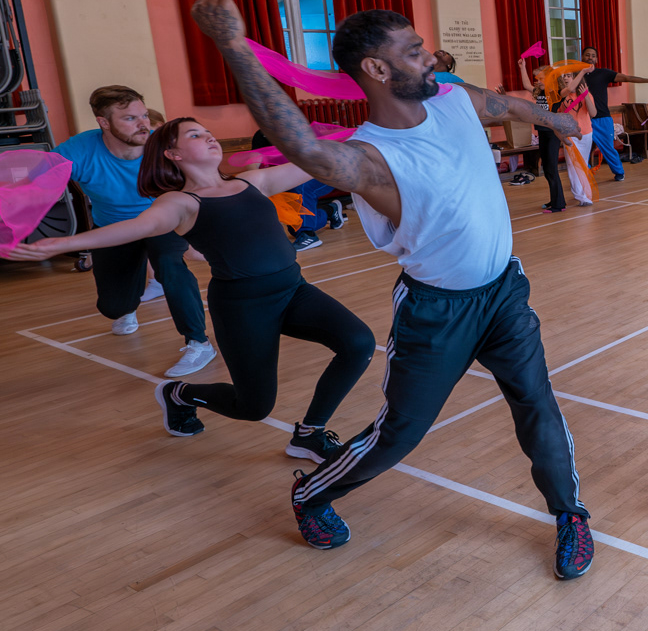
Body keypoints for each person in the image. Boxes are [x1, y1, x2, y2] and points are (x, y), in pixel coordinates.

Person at [188, 0, 593, 577]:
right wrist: (233, 46)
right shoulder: (369, 157)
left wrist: (555, 118)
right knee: (399, 433)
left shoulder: (453, 101)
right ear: (375, 69)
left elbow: (504, 105)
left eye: (422, 45)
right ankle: (312, 493)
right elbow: (298, 143)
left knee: (537, 403)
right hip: (437, 312)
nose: (428, 56)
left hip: (505, 292)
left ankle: (571, 515)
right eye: (412, 50)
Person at [12, 117, 376, 462]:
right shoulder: (180, 203)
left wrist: (366, 135)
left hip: (294, 290)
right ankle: (179, 394)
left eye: (206, 131)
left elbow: (314, 161)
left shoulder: (252, 182)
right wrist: (58, 244)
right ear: (174, 154)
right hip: (243, 308)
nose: (208, 136)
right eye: (195, 135)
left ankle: (309, 433)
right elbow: (135, 229)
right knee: (253, 407)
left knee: (358, 343)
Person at [54, 85, 214, 378]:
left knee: (170, 265)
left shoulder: (161, 145)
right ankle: (129, 299)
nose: (143, 124)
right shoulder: (78, 150)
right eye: (130, 118)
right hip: (114, 229)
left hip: (162, 220)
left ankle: (198, 342)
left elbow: (203, 180)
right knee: (114, 307)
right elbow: (40, 181)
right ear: (104, 122)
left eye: (143, 115)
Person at [579, 45, 648, 181]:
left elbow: (627, 78)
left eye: (593, 55)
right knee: (583, 148)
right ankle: (585, 172)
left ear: (596, 59)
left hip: (602, 118)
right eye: (587, 55)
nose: (590, 57)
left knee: (608, 148)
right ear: (582, 57)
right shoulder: (576, 76)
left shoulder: (603, 73)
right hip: (582, 118)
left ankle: (619, 172)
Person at [517, 59, 569, 212]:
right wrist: (522, 67)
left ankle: (559, 204)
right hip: (542, 132)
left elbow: (569, 88)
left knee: (552, 168)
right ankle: (555, 200)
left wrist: (583, 73)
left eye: (540, 79)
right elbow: (527, 85)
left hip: (552, 134)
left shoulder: (556, 94)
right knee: (546, 168)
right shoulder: (539, 92)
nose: (536, 82)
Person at [560, 71, 596, 207]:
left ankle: (585, 193)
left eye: (568, 75)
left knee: (582, 164)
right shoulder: (563, 95)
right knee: (572, 164)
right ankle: (581, 196)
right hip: (570, 134)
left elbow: (593, 113)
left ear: (576, 78)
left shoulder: (586, 94)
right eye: (564, 76)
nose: (566, 78)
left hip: (586, 133)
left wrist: (586, 96)